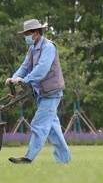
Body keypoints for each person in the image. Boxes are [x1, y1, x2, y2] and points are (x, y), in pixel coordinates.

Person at [5, 19, 71, 164]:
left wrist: (24, 80)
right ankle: (65, 161)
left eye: (27, 34)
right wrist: (14, 78)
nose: (25, 37)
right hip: (42, 94)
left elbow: (42, 69)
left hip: (51, 93)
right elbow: (24, 66)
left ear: (35, 33)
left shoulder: (48, 47)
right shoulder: (32, 49)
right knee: (54, 131)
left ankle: (28, 158)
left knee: (38, 124)